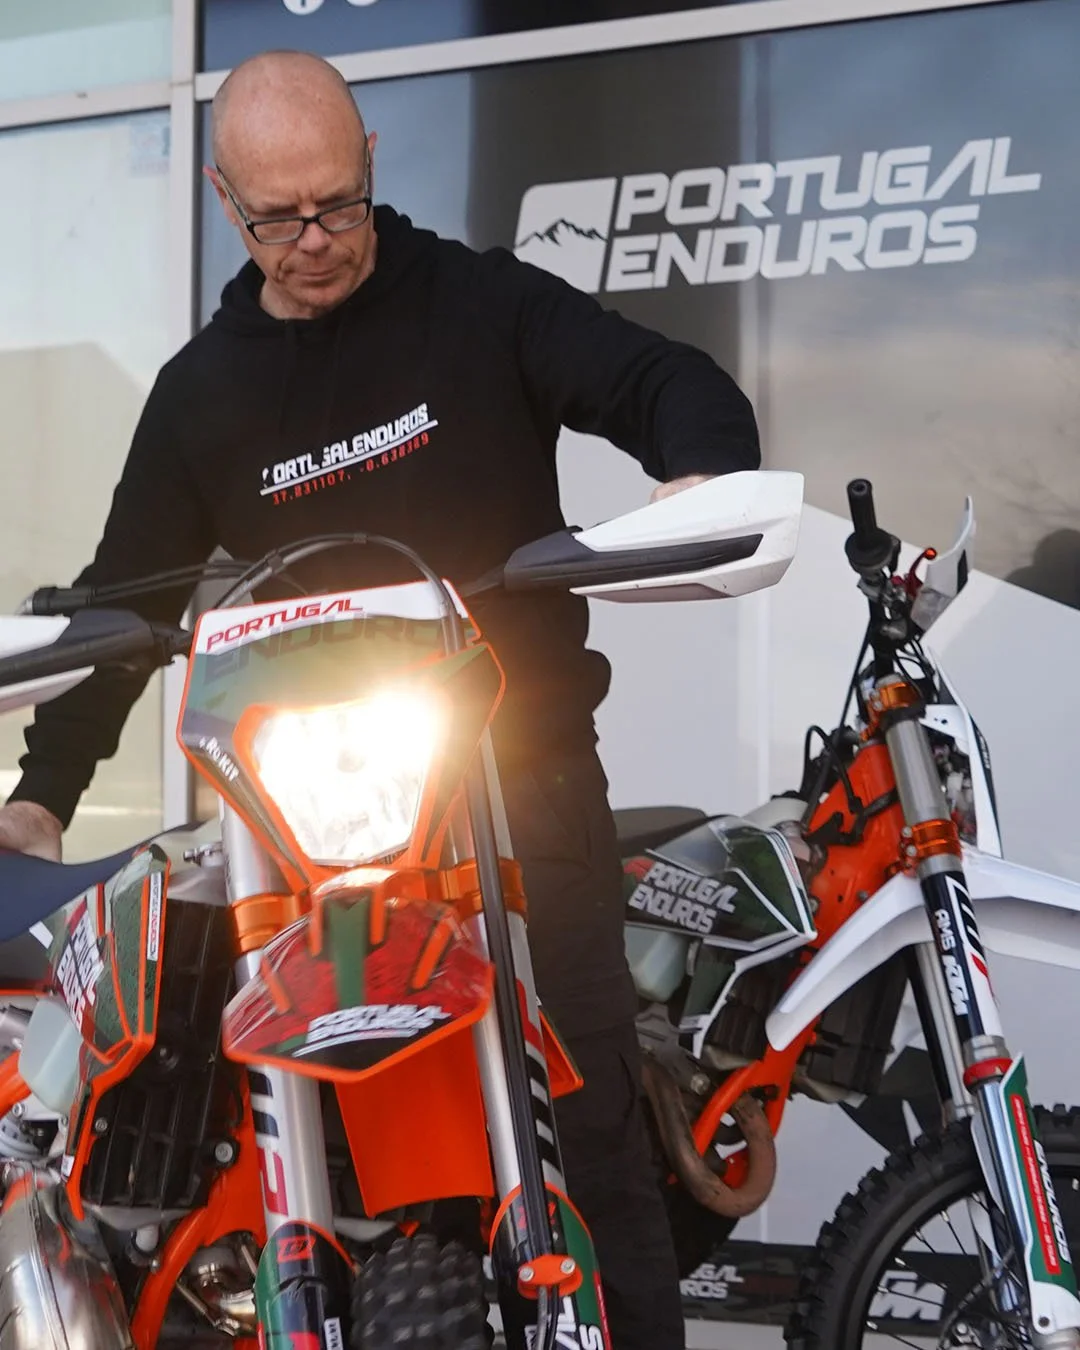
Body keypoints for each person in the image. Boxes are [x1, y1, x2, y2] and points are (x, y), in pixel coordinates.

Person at [0, 50, 759, 1348]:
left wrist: (703, 472)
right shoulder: (207, 390)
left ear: (367, 164)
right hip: (309, 821)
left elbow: (666, 382)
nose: (314, 240)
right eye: (277, 215)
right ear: (226, 203)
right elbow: (128, 604)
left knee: (588, 1130)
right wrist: (41, 793)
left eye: (337, 203)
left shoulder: (477, 304)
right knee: (290, 1118)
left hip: (516, 780)